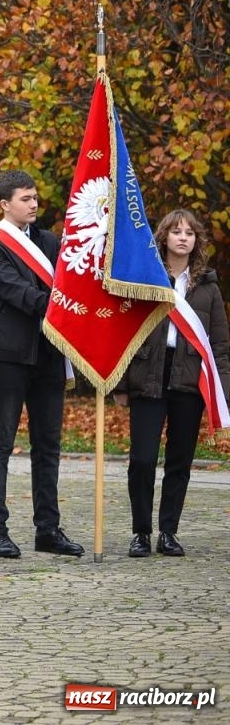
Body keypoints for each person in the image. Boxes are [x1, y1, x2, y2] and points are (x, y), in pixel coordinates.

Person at [0, 170, 84, 559]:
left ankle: (48, 529)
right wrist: (63, 305)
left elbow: (73, 282)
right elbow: (18, 293)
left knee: (48, 445)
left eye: (35, 197)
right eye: (25, 198)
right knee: (0, 442)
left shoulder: (51, 242)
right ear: (5, 204)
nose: (34, 204)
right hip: (8, 356)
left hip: (49, 355)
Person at [117, 209, 229, 558]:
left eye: (190, 233)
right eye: (176, 231)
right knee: (143, 459)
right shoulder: (146, 278)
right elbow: (123, 332)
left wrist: (222, 395)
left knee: (179, 462)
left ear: (197, 241)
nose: (183, 237)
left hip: (189, 381)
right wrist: (119, 382)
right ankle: (141, 532)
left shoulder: (207, 287)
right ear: (163, 237)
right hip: (146, 376)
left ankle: (168, 531)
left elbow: (220, 346)